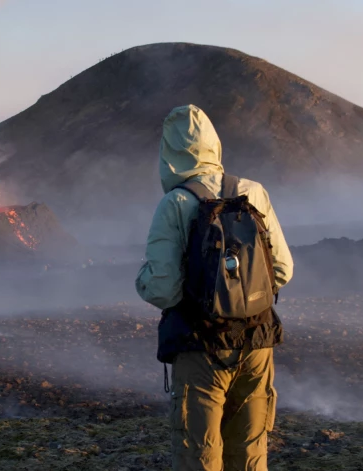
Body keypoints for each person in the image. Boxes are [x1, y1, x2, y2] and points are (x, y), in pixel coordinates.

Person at [135, 105, 293, 471]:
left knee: (200, 457)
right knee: (250, 453)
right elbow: (282, 270)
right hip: (256, 344)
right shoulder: (253, 192)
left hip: (201, 348)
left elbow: (163, 289)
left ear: (169, 153)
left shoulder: (175, 203)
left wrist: (142, 279)